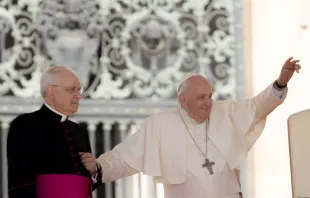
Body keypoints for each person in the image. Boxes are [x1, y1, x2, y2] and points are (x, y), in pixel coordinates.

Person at [80, 57, 301, 198]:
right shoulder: (160, 125)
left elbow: (256, 107)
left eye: (210, 96)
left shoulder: (225, 112)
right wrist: (98, 168)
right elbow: (123, 158)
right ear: (183, 100)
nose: (208, 102)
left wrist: (280, 83)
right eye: (201, 97)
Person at [7, 66, 102, 198]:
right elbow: (20, 183)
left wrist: (93, 172)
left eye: (79, 89)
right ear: (51, 90)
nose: (79, 96)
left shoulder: (78, 131)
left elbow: (85, 187)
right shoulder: (24, 124)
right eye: (72, 89)